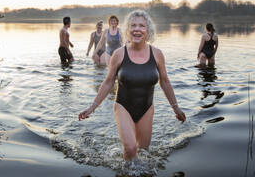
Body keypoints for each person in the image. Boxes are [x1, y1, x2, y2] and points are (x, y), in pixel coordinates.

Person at [79, 9, 186, 160]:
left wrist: (176, 108)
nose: (137, 29)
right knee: (130, 149)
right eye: (133, 25)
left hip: (146, 109)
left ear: (148, 30)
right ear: (128, 30)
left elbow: (165, 82)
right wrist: (92, 107)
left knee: (144, 152)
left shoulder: (157, 54)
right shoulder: (119, 54)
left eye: (141, 26)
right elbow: (108, 82)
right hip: (123, 107)